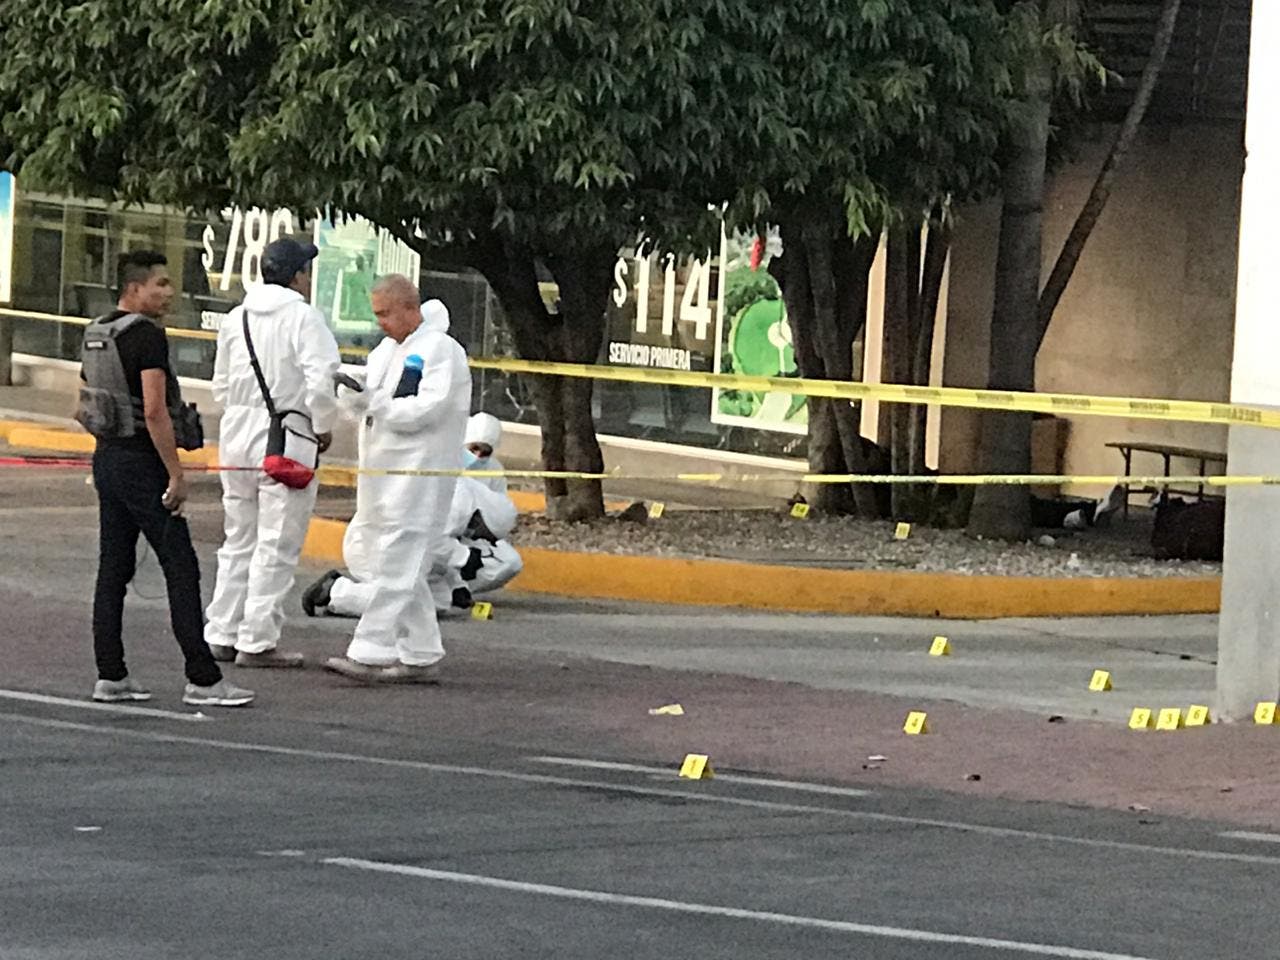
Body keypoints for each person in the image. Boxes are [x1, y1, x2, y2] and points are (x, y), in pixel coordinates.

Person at [79, 251, 253, 707]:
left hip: (108, 458)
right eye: (160, 284)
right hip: (142, 463)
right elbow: (155, 410)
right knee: (180, 565)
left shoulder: (97, 331)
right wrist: (175, 473)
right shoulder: (146, 336)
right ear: (134, 288)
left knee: (112, 569)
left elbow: (87, 403)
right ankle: (203, 678)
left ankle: (110, 674)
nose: (169, 293)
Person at [323, 276, 471, 683]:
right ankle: (421, 654)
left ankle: (369, 650)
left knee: (398, 563)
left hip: (418, 477)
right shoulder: (386, 351)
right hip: (382, 476)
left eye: (386, 313)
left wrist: (373, 402)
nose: (380, 322)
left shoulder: (442, 351)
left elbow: (424, 411)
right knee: (392, 562)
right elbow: (372, 406)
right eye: (377, 315)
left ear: (410, 307)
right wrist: (353, 397)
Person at [203, 237, 340, 668]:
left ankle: (221, 631)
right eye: (306, 272)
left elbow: (220, 386)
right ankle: (257, 640)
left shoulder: (236, 318)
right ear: (297, 276)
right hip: (286, 435)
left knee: (238, 539)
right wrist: (323, 427)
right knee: (277, 543)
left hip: (236, 436)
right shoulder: (304, 319)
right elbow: (322, 381)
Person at [301, 410, 522, 619]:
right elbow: (430, 540)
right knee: (413, 604)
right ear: (481, 516)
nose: (478, 535)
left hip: (396, 545)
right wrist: (463, 557)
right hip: (376, 546)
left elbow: (439, 543)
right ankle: (336, 591)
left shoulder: (464, 495)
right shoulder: (457, 501)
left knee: (439, 600)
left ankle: (347, 596)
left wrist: (456, 585)